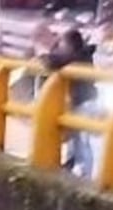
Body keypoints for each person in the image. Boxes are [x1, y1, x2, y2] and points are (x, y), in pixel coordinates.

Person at [42, 28, 100, 178]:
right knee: (76, 138)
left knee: (81, 139)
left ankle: (83, 173)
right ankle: (73, 166)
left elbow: (52, 61)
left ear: (70, 45)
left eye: (62, 44)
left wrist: (48, 51)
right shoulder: (84, 55)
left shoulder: (76, 58)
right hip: (86, 100)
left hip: (84, 102)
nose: (60, 47)